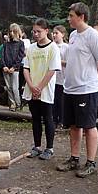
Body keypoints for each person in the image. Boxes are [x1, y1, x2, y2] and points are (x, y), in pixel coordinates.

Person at [57, 2, 98, 177]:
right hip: (70, 88)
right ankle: (74, 158)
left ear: (81, 17)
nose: (68, 19)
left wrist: (96, 81)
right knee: (73, 125)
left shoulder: (93, 36)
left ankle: (91, 162)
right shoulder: (73, 35)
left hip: (87, 89)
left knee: (89, 126)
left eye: (71, 16)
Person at [23, 18, 61, 160]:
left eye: (39, 31)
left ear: (46, 31)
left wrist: (39, 87)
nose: (36, 34)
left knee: (48, 118)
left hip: (45, 89)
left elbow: (52, 70)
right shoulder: (31, 48)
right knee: (35, 118)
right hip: (32, 88)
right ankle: (37, 146)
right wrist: (31, 86)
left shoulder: (53, 48)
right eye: (34, 31)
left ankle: (49, 148)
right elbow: (26, 68)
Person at [2, 24, 25, 110]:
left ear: (17, 32)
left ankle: (18, 104)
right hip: (6, 68)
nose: (11, 33)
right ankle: (12, 104)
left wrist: (14, 67)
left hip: (15, 69)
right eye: (10, 31)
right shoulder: (6, 44)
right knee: (8, 87)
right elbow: (2, 55)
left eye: (13, 31)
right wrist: (4, 66)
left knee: (15, 88)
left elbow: (20, 56)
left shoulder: (20, 43)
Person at [51, 25, 69, 128]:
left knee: (61, 101)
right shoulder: (51, 46)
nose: (54, 35)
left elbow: (69, 63)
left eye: (56, 33)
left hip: (62, 78)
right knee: (53, 99)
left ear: (62, 34)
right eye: (53, 33)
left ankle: (62, 120)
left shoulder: (66, 47)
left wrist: (58, 61)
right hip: (52, 77)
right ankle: (53, 119)